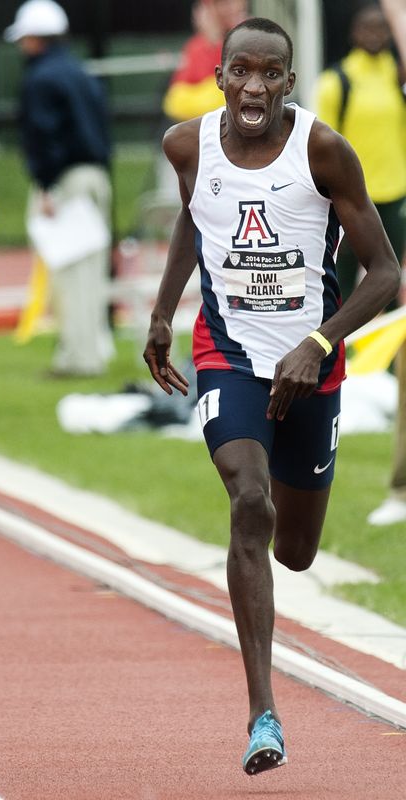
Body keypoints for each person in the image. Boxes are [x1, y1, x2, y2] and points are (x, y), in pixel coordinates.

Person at [144, 18, 399, 775]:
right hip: (227, 355)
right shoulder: (186, 145)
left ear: (289, 82)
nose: (254, 86)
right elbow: (195, 219)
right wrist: (163, 313)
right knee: (248, 502)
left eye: (270, 74)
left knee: (293, 549)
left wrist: (318, 343)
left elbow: (385, 274)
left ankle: (298, 481)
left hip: (309, 364)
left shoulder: (321, 151)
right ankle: (263, 712)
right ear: (220, 77)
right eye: (241, 71)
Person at [319, 3, 406, 526]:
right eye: (368, 27)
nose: (377, 34)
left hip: (396, 198)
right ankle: (336, 362)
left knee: (395, 292)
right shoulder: (339, 81)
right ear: (354, 32)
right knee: (344, 289)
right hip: (354, 200)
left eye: (383, 26)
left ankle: (384, 368)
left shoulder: (393, 77)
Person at [8, 0, 114, 376]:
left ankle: (79, 358)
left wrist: (47, 186)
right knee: (91, 271)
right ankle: (92, 350)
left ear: (37, 38)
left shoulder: (41, 79)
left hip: (67, 182)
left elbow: (45, 137)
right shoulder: (80, 72)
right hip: (96, 177)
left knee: (70, 272)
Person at [163, 0, 251, 123]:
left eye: (233, 3)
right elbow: (175, 102)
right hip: (206, 127)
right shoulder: (196, 46)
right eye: (222, 4)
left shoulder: (253, 37)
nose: (230, 9)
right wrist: (213, 42)